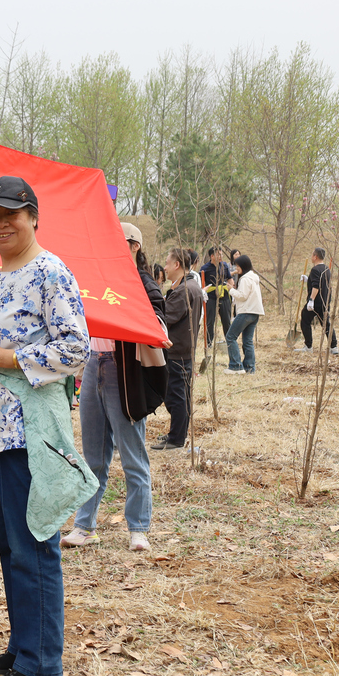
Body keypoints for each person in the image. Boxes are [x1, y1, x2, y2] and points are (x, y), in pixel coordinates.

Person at [0, 176, 89, 676]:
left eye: (10, 213)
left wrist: (6, 357)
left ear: (33, 216)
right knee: (13, 545)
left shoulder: (49, 271)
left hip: (30, 430)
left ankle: (41, 664)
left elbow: (75, 348)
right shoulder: (1, 276)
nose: (0, 223)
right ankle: (23, 643)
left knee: (34, 543)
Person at [63, 222, 167, 552]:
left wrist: (146, 324)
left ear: (134, 246)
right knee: (93, 457)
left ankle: (138, 529)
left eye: (118, 242)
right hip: (94, 364)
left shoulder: (143, 284)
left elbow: (158, 323)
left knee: (133, 456)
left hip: (125, 372)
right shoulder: (97, 278)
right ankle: (84, 526)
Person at [152, 248, 204, 451]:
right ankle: (177, 434)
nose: (164, 268)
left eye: (167, 263)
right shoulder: (191, 286)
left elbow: (164, 320)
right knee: (180, 394)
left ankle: (176, 438)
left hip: (177, 351)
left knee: (175, 395)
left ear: (177, 265)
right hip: (184, 349)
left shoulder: (184, 291)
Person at [223, 255, 264, 374]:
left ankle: (235, 366)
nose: (237, 268)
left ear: (243, 266)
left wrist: (230, 290)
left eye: (238, 266)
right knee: (247, 341)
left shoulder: (245, 279)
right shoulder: (253, 277)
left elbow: (242, 296)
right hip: (255, 312)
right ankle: (249, 368)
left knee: (230, 337)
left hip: (246, 312)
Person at [296, 247, 337, 355]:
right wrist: (308, 279)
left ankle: (308, 346)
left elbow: (316, 286)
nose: (311, 257)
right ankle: (334, 347)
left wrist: (311, 300)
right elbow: (321, 282)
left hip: (316, 302)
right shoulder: (326, 269)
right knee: (326, 324)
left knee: (305, 319)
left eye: (312, 255)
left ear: (315, 256)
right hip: (325, 301)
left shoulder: (315, 270)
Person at [201, 247, 234, 348]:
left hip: (224, 296)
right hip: (211, 297)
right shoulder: (204, 268)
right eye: (218, 254)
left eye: (221, 254)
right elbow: (201, 283)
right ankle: (209, 344)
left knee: (227, 320)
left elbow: (229, 279)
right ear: (212, 256)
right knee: (210, 321)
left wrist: (232, 290)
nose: (221, 256)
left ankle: (230, 343)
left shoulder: (224, 265)